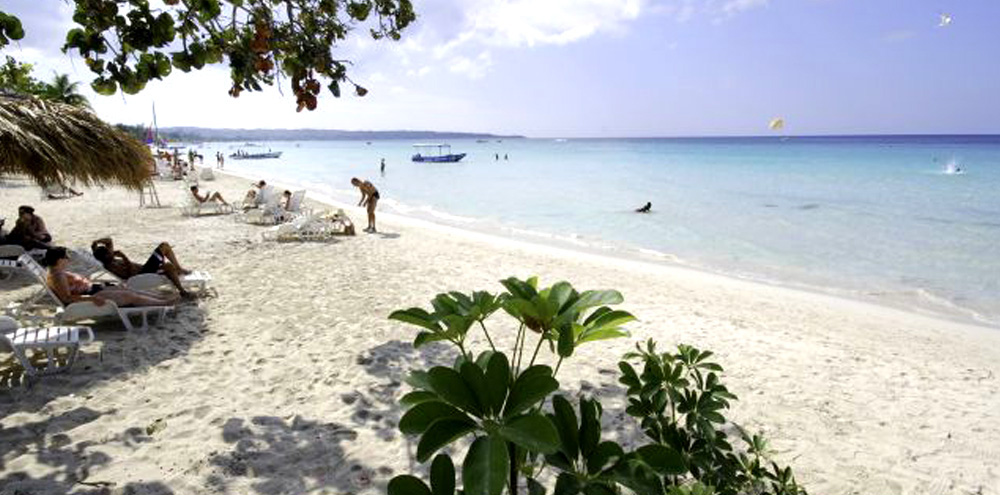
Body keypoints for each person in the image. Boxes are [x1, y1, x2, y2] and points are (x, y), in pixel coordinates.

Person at [43, 247, 178, 308]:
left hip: (93, 290)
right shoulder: (57, 276)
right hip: (92, 296)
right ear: (59, 260)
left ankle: (161, 298)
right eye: (66, 257)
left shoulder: (57, 271)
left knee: (129, 290)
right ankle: (163, 304)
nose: (68, 259)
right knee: (130, 296)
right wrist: (92, 298)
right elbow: (67, 298)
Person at [91, 238, 194, 298]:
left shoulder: (109, 258)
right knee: (168, 266)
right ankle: (182, 291)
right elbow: (130, 275)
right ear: (106, 256)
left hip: (145, 268)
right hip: (143, 274)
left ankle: (179, 269)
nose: (111, 251)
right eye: (109, 252)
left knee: (164, 245)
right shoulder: (111, 266)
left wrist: (96, 242)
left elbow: (109, 241)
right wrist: (124, 257)